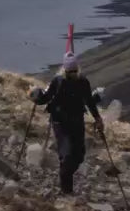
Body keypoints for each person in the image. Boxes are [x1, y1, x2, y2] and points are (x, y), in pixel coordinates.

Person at [29, 52, 104, 195]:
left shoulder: (82, 82)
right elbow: (46, 98)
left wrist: (98, 118)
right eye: (70, 72)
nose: (73, 74)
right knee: (67, 153)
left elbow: (89, 101)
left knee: (79, 154)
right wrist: (36, 97)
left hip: (76, 121)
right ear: (65, 70)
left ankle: (66, 181)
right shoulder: (58, 81)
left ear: (77, 69)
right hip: (60, 122)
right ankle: (66, 190)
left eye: (74, 71)